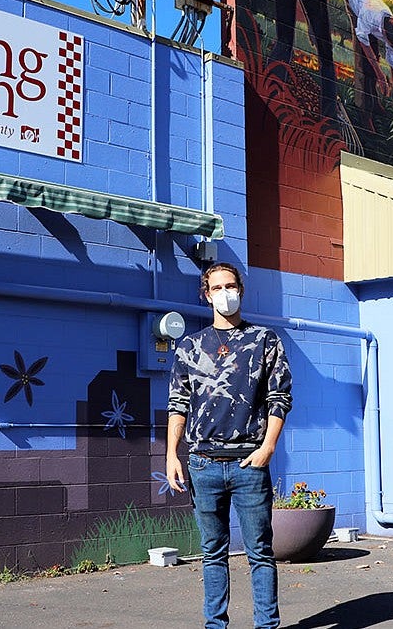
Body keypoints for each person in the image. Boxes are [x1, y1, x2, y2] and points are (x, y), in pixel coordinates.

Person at [167, 262, 293, 629]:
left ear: (241, 289)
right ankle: (215, 625)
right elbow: (178, 403)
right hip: (203, 464)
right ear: (206, 295)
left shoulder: (264, 340)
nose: (225, 293)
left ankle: (266, 626)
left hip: (248, 465)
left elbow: (279, 397)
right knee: (212, 554)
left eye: (231, 285)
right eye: (217, 287)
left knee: (261, 553)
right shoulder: (189, 347)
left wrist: (268, 447)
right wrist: (171, 454)